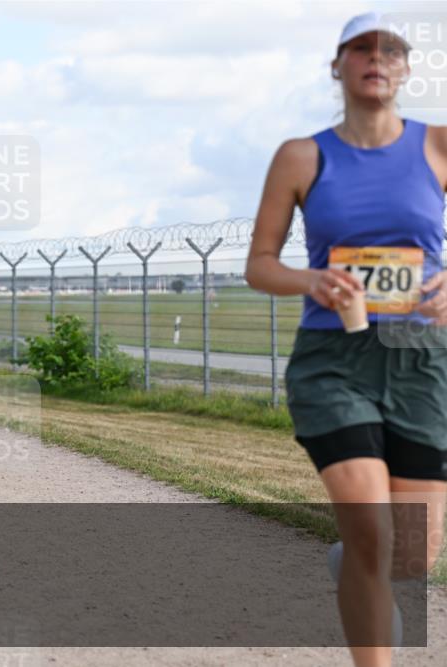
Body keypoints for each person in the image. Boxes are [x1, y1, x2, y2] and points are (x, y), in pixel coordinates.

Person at [245, 12, 447, 666]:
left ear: (407, 69)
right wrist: (312, 280)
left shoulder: (439, 146)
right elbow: (260, 263)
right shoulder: (302, 155)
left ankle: (357, 559)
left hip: (422, 361)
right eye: (361, 48)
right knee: (372, 528)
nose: (376, 58)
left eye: (391, 49)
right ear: (338, 66)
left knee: (412, 557)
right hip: (336, 360)